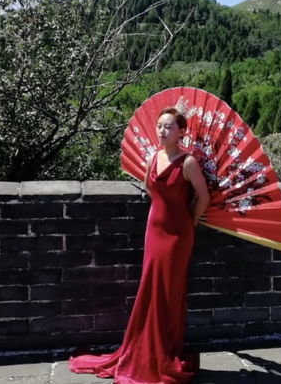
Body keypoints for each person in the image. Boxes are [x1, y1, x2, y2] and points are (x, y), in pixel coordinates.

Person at [68, 107, 210, 384]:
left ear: (181, 132)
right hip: (154, 231)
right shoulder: (152, 157)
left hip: (178, 235)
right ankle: (145, 348)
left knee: (169, 291)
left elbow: (203, 197)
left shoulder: (188, 162)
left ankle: (165, 349)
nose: (162, 131)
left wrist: (189, 221)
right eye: (160, 126)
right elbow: (149, 188)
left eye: (169, 127)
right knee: (150, 288)